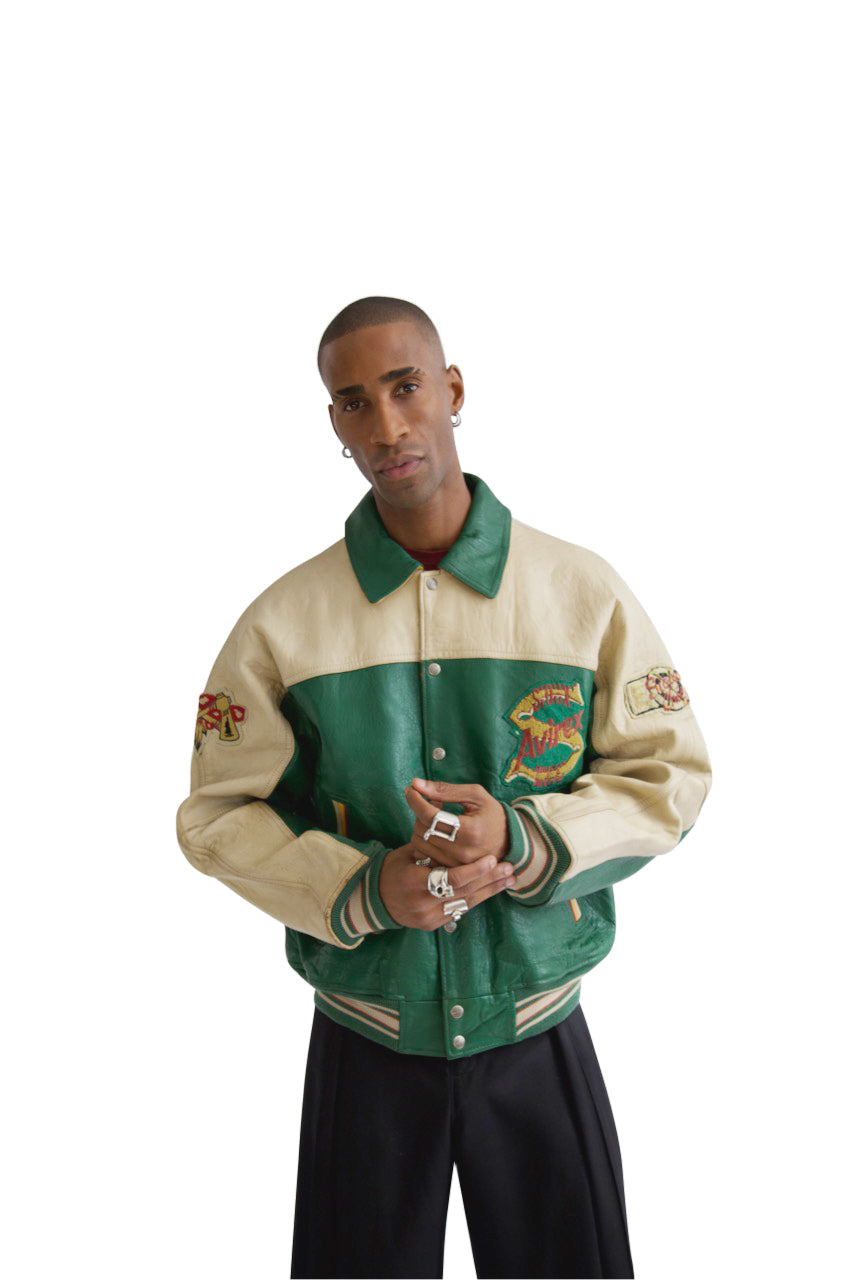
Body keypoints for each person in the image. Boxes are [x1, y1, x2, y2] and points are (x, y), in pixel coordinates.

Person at [176, 296, 712, 1279]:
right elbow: (216, 814)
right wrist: (361, 887)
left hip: (538, 1023)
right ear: (333, 423)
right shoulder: (281, 623)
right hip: (364, 1032)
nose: (386, 426)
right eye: (354, 402)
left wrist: (524, 837)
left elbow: (667, 773)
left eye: (405, 386)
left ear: (452, 389)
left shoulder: (581, 591)